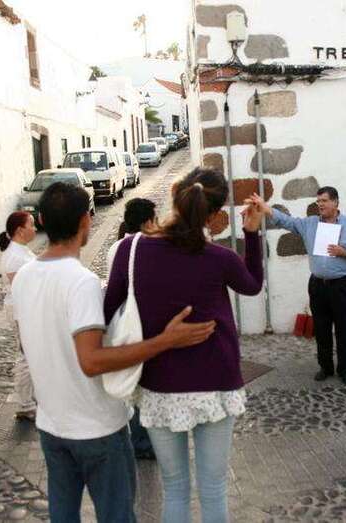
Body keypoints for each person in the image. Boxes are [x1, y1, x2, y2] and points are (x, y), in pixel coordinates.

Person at [12, 182, 217, 522]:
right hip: (97, 428)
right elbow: (91, 361)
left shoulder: (23, 277)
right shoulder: (81, 282)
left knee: (63, 515)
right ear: (85, 221)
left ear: (43, 220)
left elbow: (26, 343)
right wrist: (165, 341)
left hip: (52, 425)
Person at [105, 168, 264, 523]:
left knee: (174, 487)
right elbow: (253, 285)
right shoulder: (219, 258)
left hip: (160, 382)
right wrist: (251, 233)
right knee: (213, 488)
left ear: (175, 195)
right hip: (216, 380)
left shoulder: (132, 250)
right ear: (214, 214)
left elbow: (106, 309)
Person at [249, 187, 346, 385]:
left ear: (336, 202)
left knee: (344, 328)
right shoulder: (310, 224)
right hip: (317, 284)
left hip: (341, 284)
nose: (320, 204)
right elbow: (286, 221)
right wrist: (266, 208)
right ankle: (325, 366)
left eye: (324, 201)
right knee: (321, 328)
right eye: (318, 201)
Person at [106, 198, 158, 460]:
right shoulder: (142, 246)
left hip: (121, 320)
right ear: (148, 221)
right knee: (141, 381)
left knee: (132, 378)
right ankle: (142, 441)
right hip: (139, 320)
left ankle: (137, 436)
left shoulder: (115, 246)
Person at [0, 211, 37, 421]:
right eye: (31, 224)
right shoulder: (14, 256)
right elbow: (20, 289)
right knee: (25, 355)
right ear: (20, 230)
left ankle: (30, 397)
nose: (35, 228)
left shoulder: (21, 250)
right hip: (21, 309)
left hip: (27, 308)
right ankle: (24, 403)